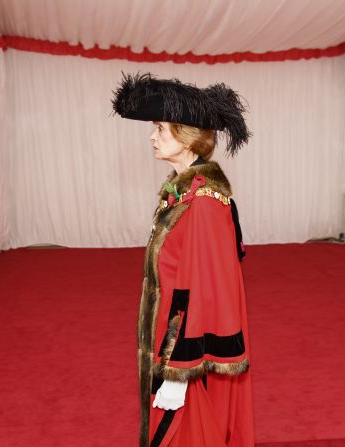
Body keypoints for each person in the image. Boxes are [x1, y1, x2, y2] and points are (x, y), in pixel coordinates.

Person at [112, 73, 254, 447]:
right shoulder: (181, 194)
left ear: (187, 135)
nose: (152, 136)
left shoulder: (204, 203)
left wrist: (179, 372)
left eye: (161, 128)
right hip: (169, 338)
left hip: (186, 349)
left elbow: (209, 292)